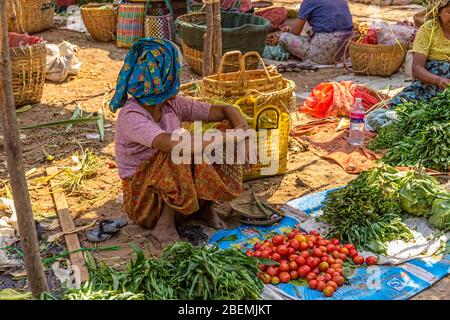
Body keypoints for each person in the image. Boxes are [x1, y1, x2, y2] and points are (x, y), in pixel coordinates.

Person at [111, 38, 249, 248]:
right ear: (163, 79)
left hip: (177, 192)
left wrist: (241, 129)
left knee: (219, 131)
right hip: (146, 203)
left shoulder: (171, 104)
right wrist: (228, 138)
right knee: (181, 148)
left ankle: (203, 207)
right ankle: (164, 226)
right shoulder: (132, 116)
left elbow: (225, 110)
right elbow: (173, 144)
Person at [390, 0, 450, 106]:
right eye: (449, 12)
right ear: (438, 12)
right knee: (399, 106)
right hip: (429, 86)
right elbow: (417, 68)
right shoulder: (428, 30)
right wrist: (439, 81)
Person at [278, 0, 354, 65]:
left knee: (284, 37)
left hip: (325, 53)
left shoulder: (309, 1)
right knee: (310, 27)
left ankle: (316, 57)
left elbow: (296, 31)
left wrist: (288, 30)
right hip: (345, 52)